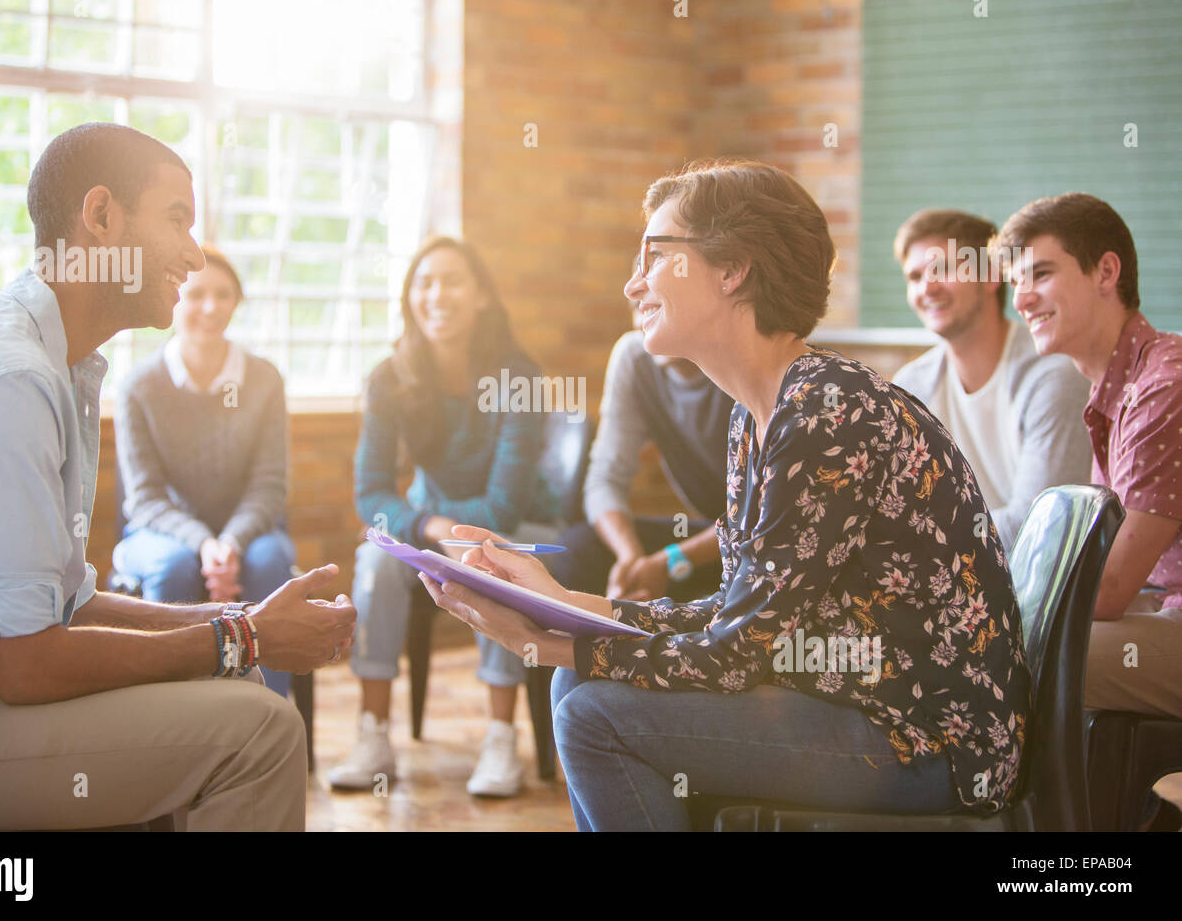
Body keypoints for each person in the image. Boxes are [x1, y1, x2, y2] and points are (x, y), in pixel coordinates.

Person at [419, 160, 1032, 831]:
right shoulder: (758, 415)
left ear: (732, 267)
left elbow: (739, 654)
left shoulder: (828, 411)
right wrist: (559, 606)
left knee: (592, 709)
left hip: (929, 740)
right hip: (854, 702)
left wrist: (544, 641)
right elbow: (736, 615)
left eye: (655, 257)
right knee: (582, 685)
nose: (633, 282)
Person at [0, 123, 355, 830]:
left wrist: (240, 623)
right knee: (262, 730)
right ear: (101, 217)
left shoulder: (57, 362)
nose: (195, 257)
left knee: (238, 680)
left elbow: (67, 603)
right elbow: (31, 665)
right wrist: (245, 637)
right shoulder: (5, 378)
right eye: (177, 220)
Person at [329, 235, 558, 798]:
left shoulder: (518, 379)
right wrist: (430, 528)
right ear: (410, 298)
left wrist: (435, 526)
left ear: (481, 296)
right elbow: (372, 493)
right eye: (424, 283)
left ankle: (502, 736)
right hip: (429, 526)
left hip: (519, 530)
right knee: (375, 563)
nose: (437, 295)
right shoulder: (389, 378)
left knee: (488, 559)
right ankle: (374, 732)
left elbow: (502, 507)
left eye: (452, 281)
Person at [997, 193, 1182, 728]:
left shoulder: (1163, 386)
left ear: (1106, 271)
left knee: (1010, 656)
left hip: (1165, 607)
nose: (1023, 300)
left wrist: (965, 595)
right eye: (1015, 284)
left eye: (1041, 274)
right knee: (1003, 640)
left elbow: (1109, 589)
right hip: (1161, 603)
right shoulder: (1113, 388)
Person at [113, 244, 295, 698]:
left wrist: (230, 542)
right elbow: (145, 499)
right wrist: (204, 544)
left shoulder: (265, 379)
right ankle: (173, 717)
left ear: (237, 302)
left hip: (248, 532)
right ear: (175, 298)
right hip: (160, 534)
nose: (210, 308)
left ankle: (267, 716)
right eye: (196, 296)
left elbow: (269, 487)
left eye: (223, 295)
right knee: (174, 567)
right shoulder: (139, 385)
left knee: (269, 560)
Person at [892, 209, 1091, 549]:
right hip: (953, 581)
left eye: (943, 269)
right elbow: (902, 507)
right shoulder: (911, 386)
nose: (927, 288)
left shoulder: (1054, 375)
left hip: (1040, 591)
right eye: (914, 277)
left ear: (991, 275)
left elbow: (1039, 527)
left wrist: (921, 541)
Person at [552, 295, 732, 602]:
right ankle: (585, 651)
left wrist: (669, 561)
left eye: (660, 302)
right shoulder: (635, 356)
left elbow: (762, 515)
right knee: (578, 549)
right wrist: (630, 556)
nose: (645, 317)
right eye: (640, 306)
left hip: (763, 539)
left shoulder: (740, 359)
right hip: (713, 533)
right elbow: (604, 480)